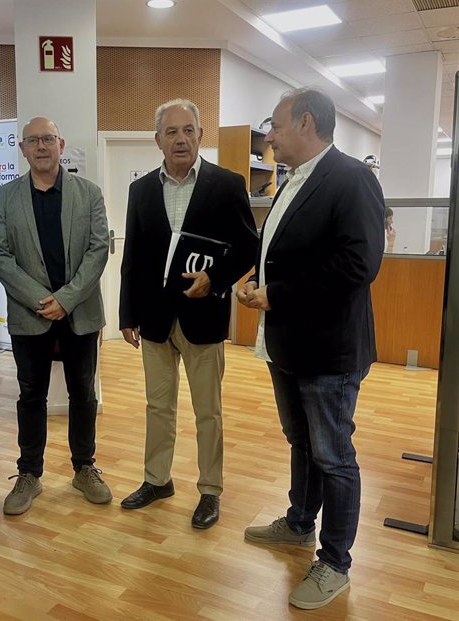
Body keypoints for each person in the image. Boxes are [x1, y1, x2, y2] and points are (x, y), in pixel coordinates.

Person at [237, 87, 385, 609]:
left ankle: (335, 562)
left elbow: (357, 266)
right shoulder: (292, 181)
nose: (270, 137)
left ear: (304, 123)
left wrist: (277, 293)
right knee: (301, 441)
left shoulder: (352, 179)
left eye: (274, 126)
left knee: (334, 455)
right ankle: (300, 523)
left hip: (330, 352)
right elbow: (285, 252)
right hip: (288, 345)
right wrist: (257, 278)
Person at [118, 99, 258, 529]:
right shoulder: (141, 189)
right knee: (157, 406)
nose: (180, 139)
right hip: (155, 319)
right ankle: (157, 479)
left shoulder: (227, 184)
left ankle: (210, 490)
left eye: (189, 130)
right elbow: (134, 255)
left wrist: (214, 280)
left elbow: (248, 247)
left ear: (200, 135)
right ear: (158, 139)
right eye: (172, 132)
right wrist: (127, 313)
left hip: (204, 318)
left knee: (207, 411)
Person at [0, 117, 111, 515]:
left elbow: (97, 252)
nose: (41, 146)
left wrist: (67, 299)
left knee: (84, 394)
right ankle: (29, 474)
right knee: (30, 396)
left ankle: (84, 468)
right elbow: (0, 255)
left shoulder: (89, 194)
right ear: (22, 149)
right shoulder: (6, 197)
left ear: (61, 144)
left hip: (80, 313)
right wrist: (42, 300)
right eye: (32, 141)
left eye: (48, 139)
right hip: (30, 315)